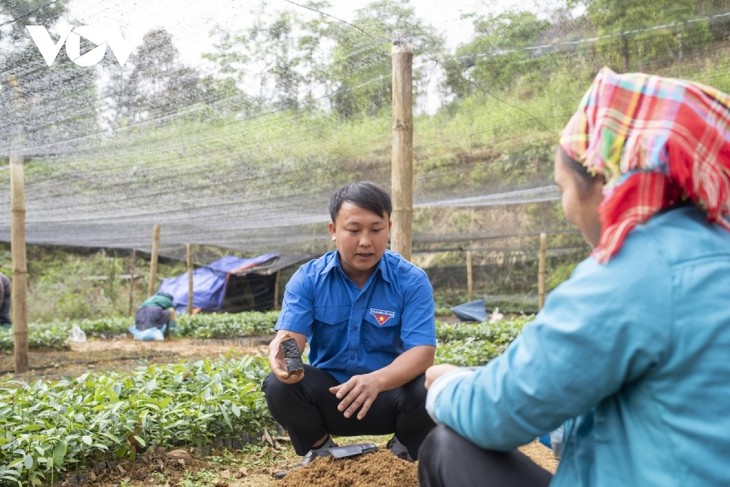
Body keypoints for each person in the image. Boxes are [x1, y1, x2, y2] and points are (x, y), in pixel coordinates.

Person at [418, 66, 730, 487]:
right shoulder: (713, 245)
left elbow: (496, 414)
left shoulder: (634, 269)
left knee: (447, 448)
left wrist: (448, 385)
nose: (568, 208)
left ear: (603, 180)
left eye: (563, 187)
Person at [262, 181, 437, 476]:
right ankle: (320, 452)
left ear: (389, 228)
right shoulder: (308, 279)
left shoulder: (411, 280)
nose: (365, 241)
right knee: (279, 386)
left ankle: (401, 454)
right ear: (333, 231)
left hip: (389, 396)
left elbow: (422, 352)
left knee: (434, 386)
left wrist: (377, 381)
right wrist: (284, 353)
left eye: (376, 229)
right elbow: (292, 338)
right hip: (330, 396)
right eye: (354, 230)